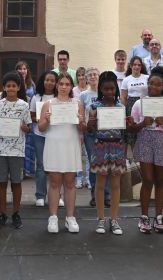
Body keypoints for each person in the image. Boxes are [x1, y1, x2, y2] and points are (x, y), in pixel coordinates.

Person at [129, 69, 163, 234]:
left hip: (162, 141)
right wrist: (143, 123)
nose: (153, 87)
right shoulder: (139, 103)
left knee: (159, 180)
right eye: (151, 83)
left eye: (157, 84)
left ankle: (158, 216)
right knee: (147, 179)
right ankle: (144, 216)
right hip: (145, 140)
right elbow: (132, 128)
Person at [37, 73, 84, 234]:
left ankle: (70, 218)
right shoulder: (48, 104)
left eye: (67, 84)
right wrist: (47, 119)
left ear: (71, 86)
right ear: (56, 86)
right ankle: (53, 217)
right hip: (54, 144)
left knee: (70, 182)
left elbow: (82, 129)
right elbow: (41, 128)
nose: (64, 86)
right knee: (55, 182)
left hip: (71, 144)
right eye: (61, 84)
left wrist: (81, 120)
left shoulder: (77, 104)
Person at [0, 72, 32, 230]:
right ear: (4, 88)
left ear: (19, 87)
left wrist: (25, 128)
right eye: (8, 86)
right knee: (1, 182)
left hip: (17, 150)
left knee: (16, 182)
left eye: (14, 86)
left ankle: (16, 213)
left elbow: (29, 127)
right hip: (0, 149)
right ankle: (2, 213)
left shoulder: (24, 105)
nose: (11, 88)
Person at [86, 71, 126, 235]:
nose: (109, 92)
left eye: (112, 89)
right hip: (101, 146)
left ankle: (114, 219)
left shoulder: (121, 107)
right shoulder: (94, 107)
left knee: (116, 185)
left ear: (116, 88)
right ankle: (101, 219)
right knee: (100, 184)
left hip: (117, 147)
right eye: (105, 89)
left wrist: (127, 123)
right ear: (100, 89)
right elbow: (89, 130)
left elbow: (123, 131)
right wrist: (91, 123)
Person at [79, 67, 111, 208]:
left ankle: (107, 196)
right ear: (86, 78)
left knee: (107, 163)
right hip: (90, 133)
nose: (92, 76)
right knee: (94, 164)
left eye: (95, 74)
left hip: (105, 131)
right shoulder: (83, 95)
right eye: (90, 75)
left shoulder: (105, 91)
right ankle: (94, 195)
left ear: (99, 76)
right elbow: (81, 115)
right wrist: (82, 131)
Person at [29, 70, 57, 208]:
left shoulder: (60, 97)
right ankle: (40, 195)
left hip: (56, 135)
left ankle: (57, 195)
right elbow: (31, 116)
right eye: (47, 80)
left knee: (56, 166)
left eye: (52, 80)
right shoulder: (37, 97)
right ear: (43, 81)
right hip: (40, 135)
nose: (49, 83)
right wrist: (41, 119)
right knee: (40, 165)